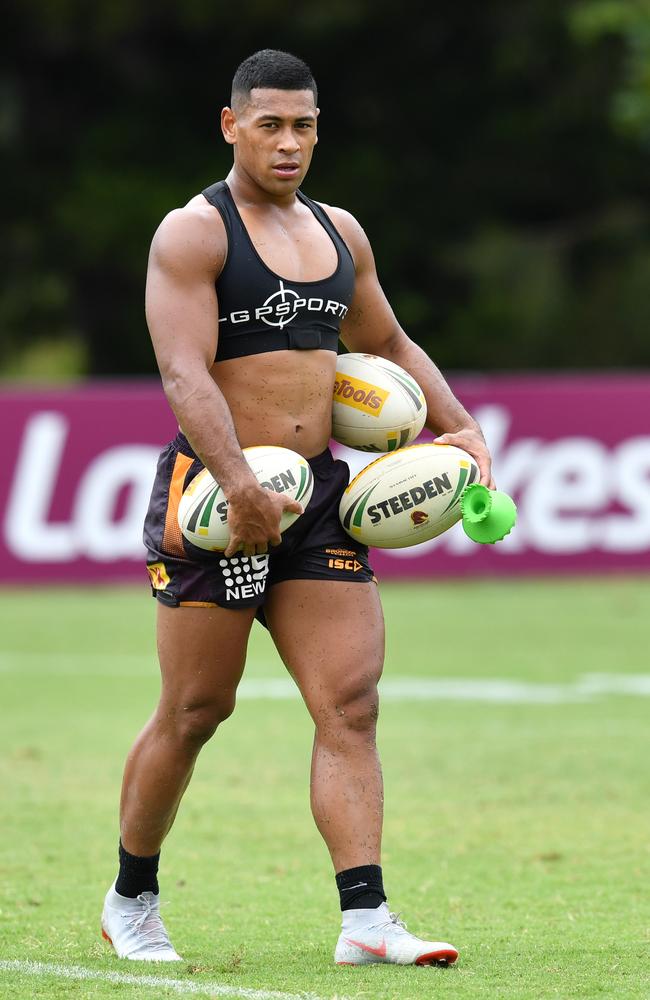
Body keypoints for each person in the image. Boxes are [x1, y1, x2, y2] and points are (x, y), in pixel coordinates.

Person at [101, 48, 493, 967]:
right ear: (230, 124)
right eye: (269, 124)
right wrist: (237, 480)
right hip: (218, 495)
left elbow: (386, 337)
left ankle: (366, 921)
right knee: (197, 711)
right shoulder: (191, 235)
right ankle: (132, 898)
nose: (288, 143)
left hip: (319, 498)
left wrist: (462, 426)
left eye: (304, 126)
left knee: (350, 703)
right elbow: (182, 370)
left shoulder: (339, 232)